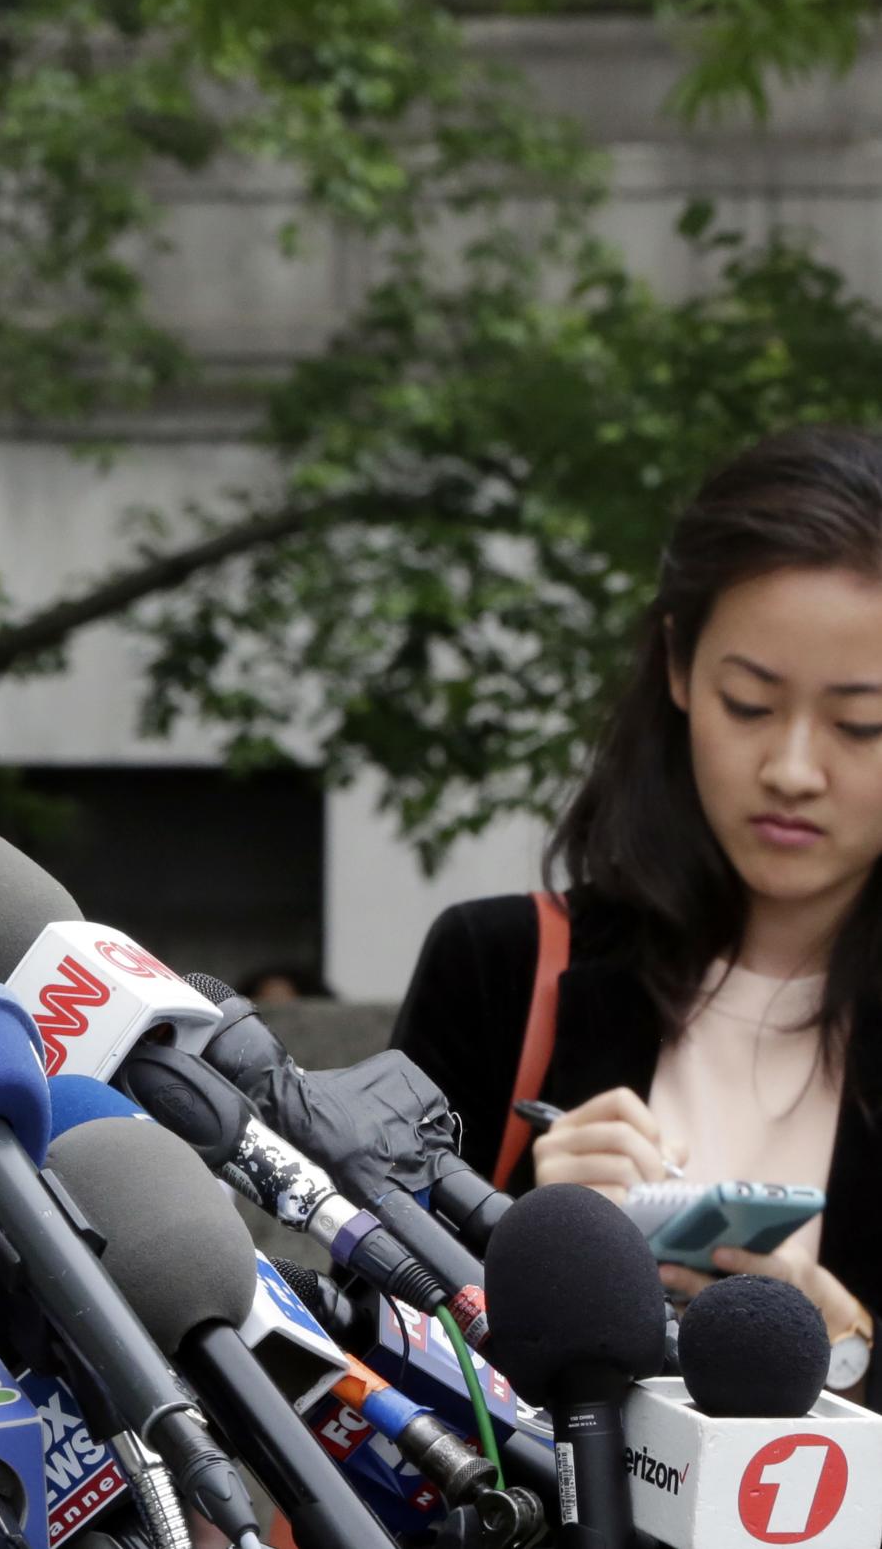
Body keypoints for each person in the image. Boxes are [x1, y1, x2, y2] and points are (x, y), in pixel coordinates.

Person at [394, 425, 882, 1399]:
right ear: (676, 665)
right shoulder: (498, 969)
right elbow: (373, 1364)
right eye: (747, 703)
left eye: (860, 723)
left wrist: (840, 1344)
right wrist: (529, 1229)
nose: (792, 768)